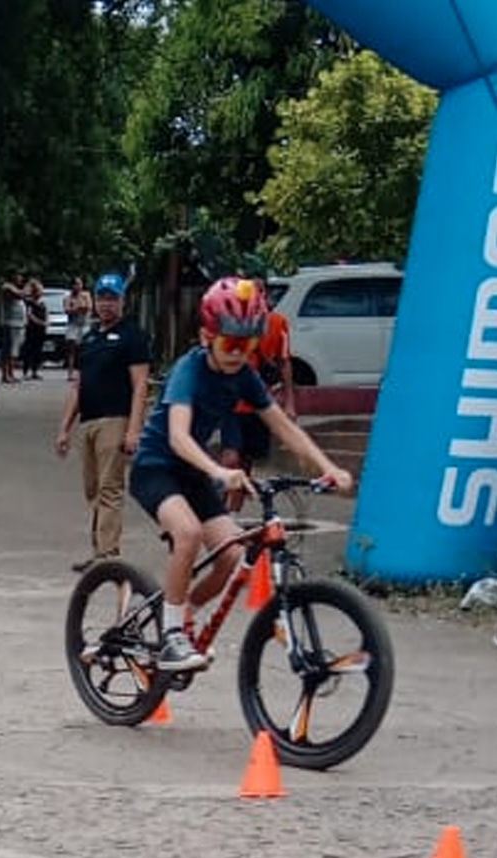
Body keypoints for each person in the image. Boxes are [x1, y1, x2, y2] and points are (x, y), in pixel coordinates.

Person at [128, 276, 352, 671]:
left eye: (248, 345)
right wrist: (219, 470)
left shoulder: (243, 376)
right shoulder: (189, 370)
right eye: (230, 343)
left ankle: (183, 618)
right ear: (205, 336)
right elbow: (178, 437)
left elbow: (283, 426)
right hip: (156, 467)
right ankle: (171, 637)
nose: (238, 354)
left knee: (232, 556)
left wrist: (328, 467)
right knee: (188, 534)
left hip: (193, 474)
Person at [54, 273, 151, 572]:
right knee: (92, 489)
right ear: (95, 301)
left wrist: (134, 428)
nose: (107, 304)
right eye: (102, 298)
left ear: (122, 301)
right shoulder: (90, 338)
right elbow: (78, 387)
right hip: (89, 421)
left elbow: (140, 385)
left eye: (112, 298)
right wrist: (64, 428)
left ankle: (108, 555)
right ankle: (99, 550)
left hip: (115, 420)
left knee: (110, 489)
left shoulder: (132, 336)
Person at [219, 278, 297, 512]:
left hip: (260, 404)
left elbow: (284, 362)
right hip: (232, 403)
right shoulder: (232, 324)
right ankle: (215, 505)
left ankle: (233, 513)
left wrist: (289, 402)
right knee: (231, 457)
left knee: (247, 461)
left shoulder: (278, 323)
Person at [63, 276, 92, 380]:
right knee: (72, 350)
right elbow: (67, 310)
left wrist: (75, 308)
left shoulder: (86, 295)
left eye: (79, 284)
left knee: (85, 349)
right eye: (76, 284)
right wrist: (78, 308)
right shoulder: (67, 297)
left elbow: (88, 307)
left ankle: (84, 372)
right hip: (73, 325)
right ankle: (70, 373)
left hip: (84, 325)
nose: (78, 286)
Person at [20, 278, 48, 380]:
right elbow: (29, 315)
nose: (41, 293)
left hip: (41, 330)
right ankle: (25, 372)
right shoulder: (29, 302)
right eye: (40, 290)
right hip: (32, 329)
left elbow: (46, 314)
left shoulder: (42, 303)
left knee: (38, 350)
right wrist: (40, 322)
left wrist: (46, 322)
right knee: (29, 350)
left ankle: (35, 371)